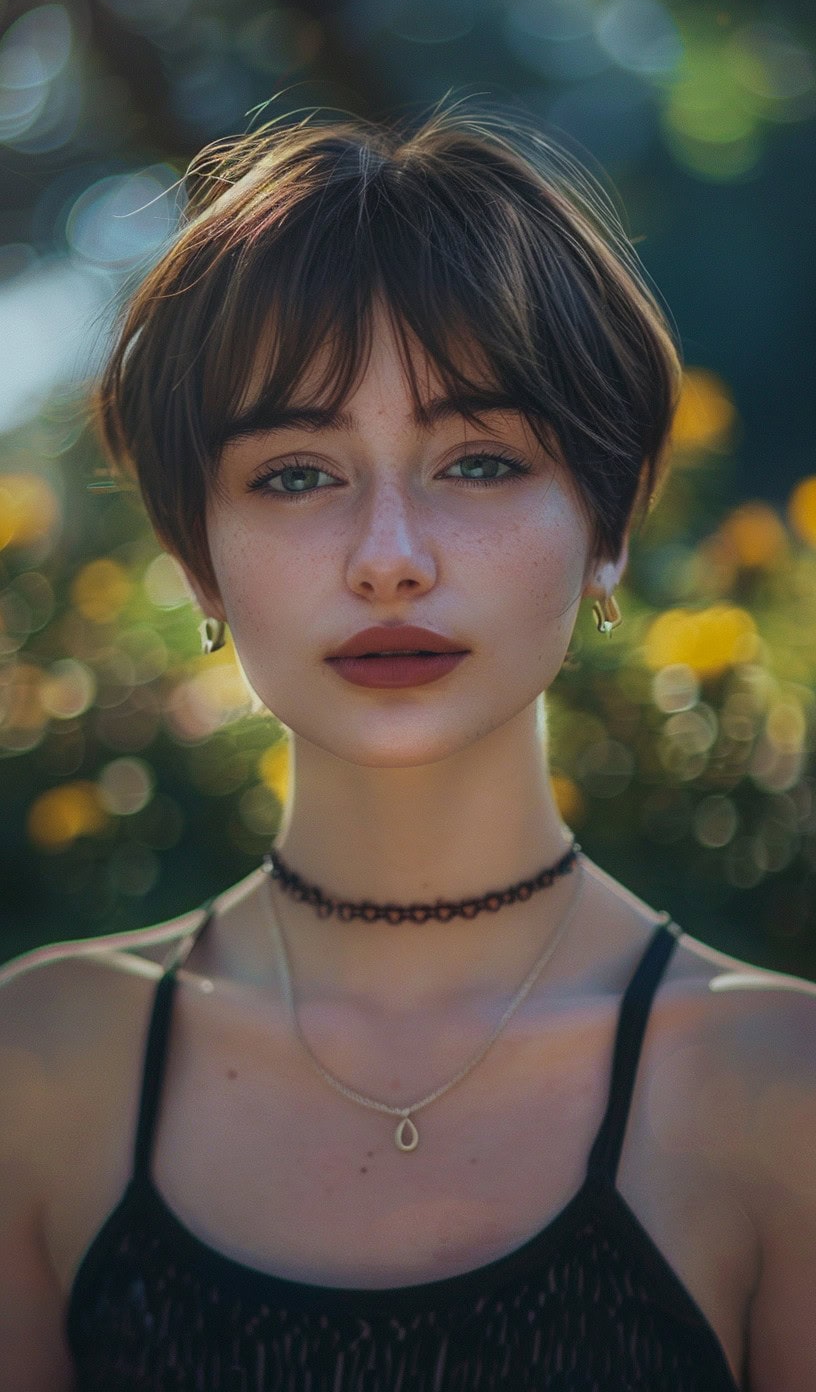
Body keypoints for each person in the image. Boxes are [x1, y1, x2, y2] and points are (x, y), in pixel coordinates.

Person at [1, 101, 814, 1392]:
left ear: (608, 525)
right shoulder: (41, 1071)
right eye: (296, 475)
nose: (390, 559)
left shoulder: (784, 1093)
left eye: (480, 462)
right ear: (195, 554)